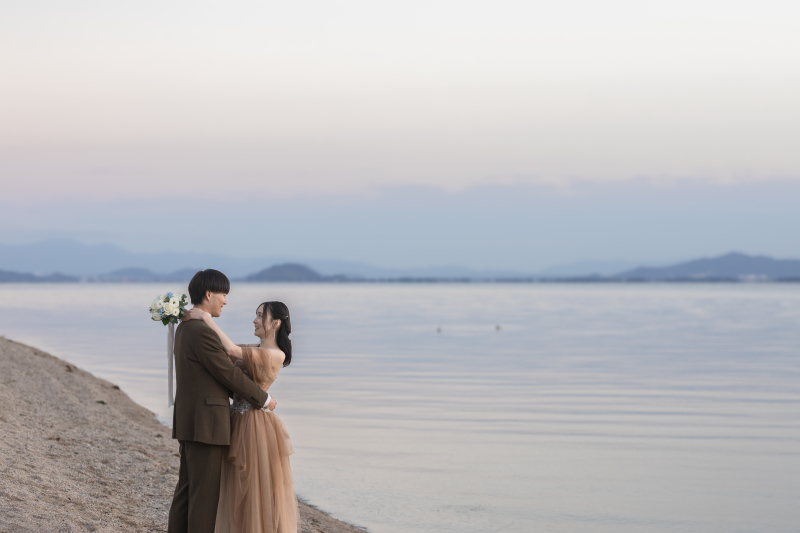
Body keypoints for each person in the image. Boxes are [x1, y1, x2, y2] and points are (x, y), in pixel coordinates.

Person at [167, 270, 277, 533]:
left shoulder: (186, 327)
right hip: (206, 424)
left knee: (187, 490)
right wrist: (263, 398)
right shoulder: (201, 331)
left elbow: (214, 369)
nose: (225, 301)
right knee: (204, 498)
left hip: (191, 420)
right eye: (223, 295)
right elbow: (226, 374)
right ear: (208, 294)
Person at [183, 300, 298, 533]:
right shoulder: (254, 348)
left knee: (252, 486)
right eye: (255, 315)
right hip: (235, 420)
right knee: (232, 484)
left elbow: (231, 351)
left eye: (259, 316)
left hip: (255, 425)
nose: (254, 320)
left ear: (275, 323)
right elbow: (219, 348)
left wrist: (206, 318)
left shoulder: (275, 354)